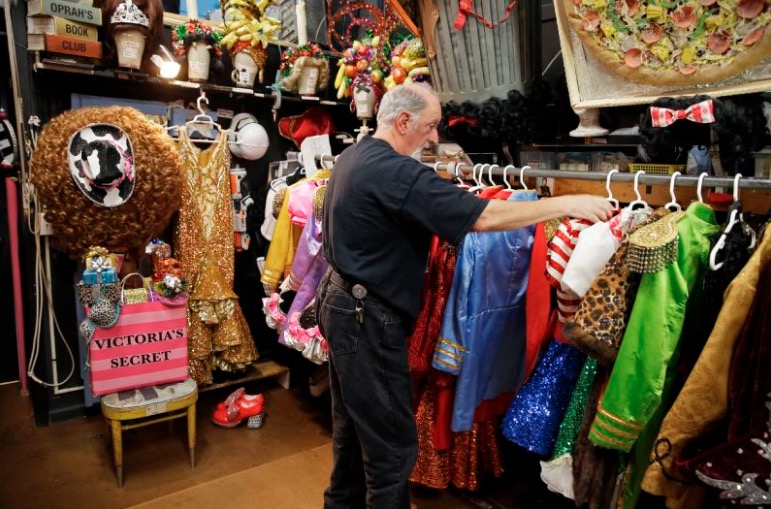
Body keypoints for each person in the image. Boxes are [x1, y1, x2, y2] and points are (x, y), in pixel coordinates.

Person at [317, 82, 613, 509]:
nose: (435, 137)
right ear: (404, 122)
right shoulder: (396, 171)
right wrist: (565, 205)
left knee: (353, 432)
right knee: (391, 448)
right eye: (431, 126)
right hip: (364, 313)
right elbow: (484, 215)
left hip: (343, 302)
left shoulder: (356, 156)